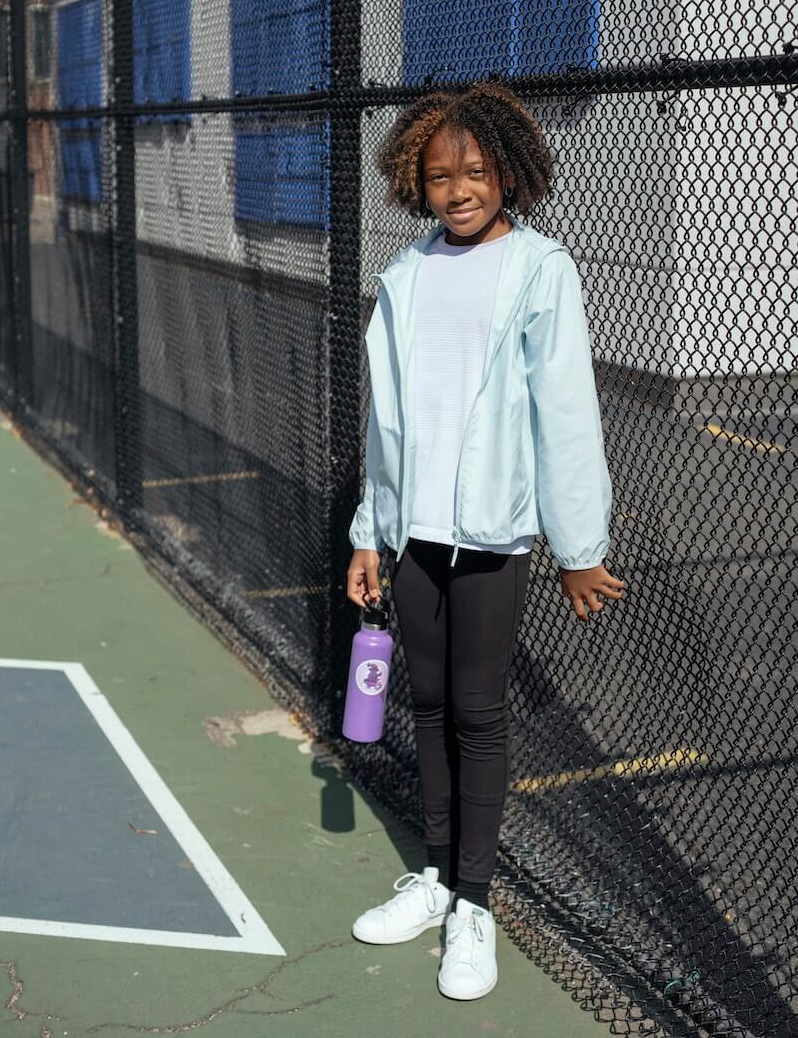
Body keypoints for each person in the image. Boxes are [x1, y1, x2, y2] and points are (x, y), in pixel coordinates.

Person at [346, 80, 626, 1002]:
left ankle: (474, 903)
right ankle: (433, 880)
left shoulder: (540, 268)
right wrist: (369, 531)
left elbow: (567, 415)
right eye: (438, 176)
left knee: (477, 712)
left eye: (475, 171)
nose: (458, 188)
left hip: (492, 536)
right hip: (414, 533)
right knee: (424, 709)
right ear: (412, 182)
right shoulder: (406, 273)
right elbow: (386, 421)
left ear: (509, 170)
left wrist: (578, 545)